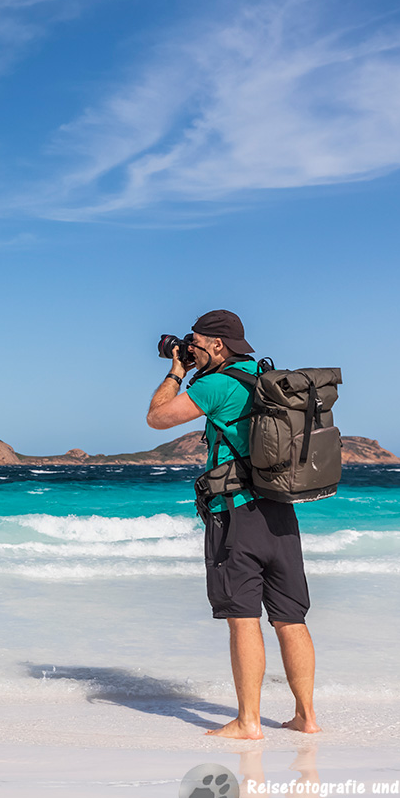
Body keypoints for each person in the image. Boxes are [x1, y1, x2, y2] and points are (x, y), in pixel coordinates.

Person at [145, 309, 320, 739]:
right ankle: (306, 717)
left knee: (242, 617)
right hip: (281, 510)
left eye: (196, 343)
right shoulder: (264, 377)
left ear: (217, 345)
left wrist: (175, 373)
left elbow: (157, 417)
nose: (191, 349)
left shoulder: (216, 384)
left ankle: (247, 722)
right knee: (290, 618)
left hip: (237, 512)